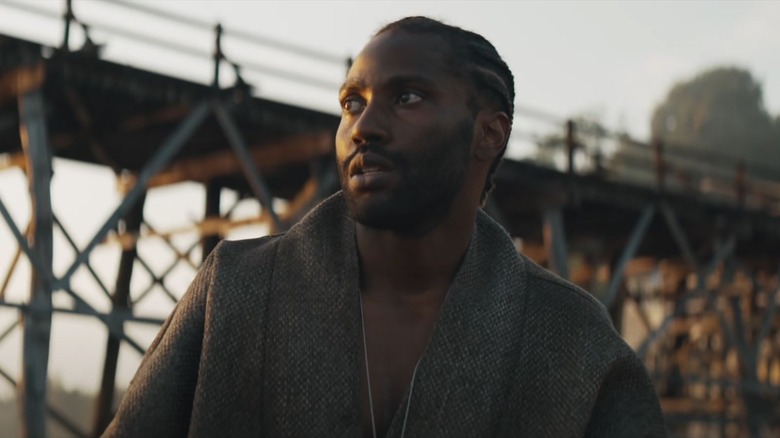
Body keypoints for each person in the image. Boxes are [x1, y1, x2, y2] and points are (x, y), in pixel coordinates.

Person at [104, 16, 667, 438]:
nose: (365, 126)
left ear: (488, 135)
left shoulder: (571, 338)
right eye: (352, 102)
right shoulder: (236, 289)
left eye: (409, 97)